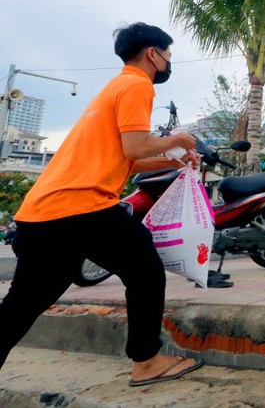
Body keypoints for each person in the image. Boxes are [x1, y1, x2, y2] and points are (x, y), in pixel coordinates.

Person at [0, 22, 205, 387]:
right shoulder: (137, 85)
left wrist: (173, 160)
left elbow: (126, 158)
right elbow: (136, 146)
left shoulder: (113, 88)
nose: (169, 62)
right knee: (144, 270)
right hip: (81, 207)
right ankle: (146, 361)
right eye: (169, 55)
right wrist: (180, 138)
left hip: (41, 213)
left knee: (23, 304)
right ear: (152, 54)